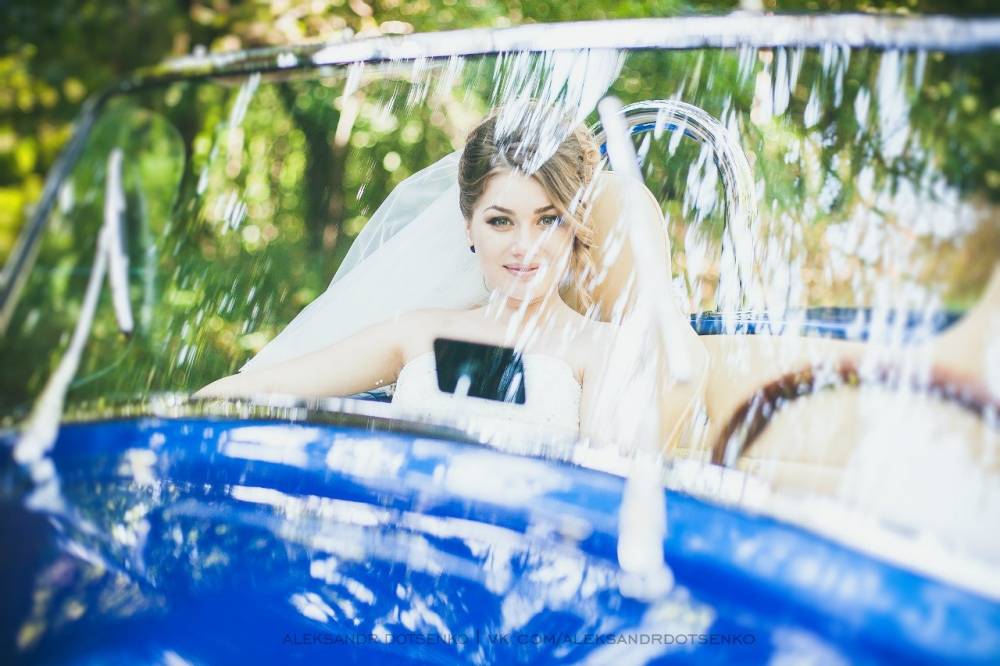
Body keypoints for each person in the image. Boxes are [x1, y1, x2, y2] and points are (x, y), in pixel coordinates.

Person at [195, 105, 620, 438]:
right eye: (500, 221)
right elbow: (266, 388)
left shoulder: (602, 349)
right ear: (469, 227)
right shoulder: (419, 333)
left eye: (548, 220)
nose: (524, 246)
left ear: (575, 225)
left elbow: (610, 495)